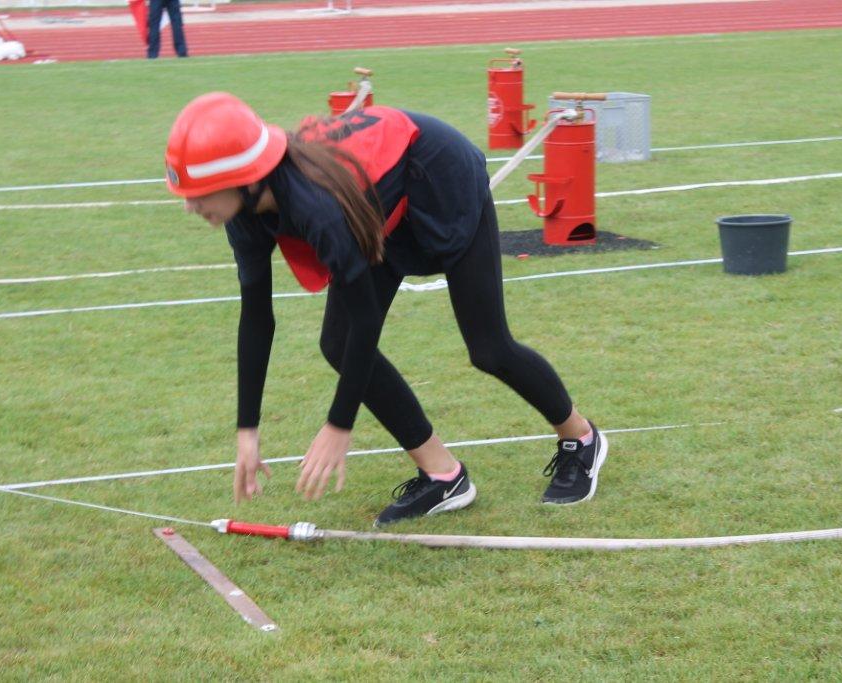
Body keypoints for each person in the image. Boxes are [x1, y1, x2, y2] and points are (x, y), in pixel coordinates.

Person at [163, 92, 609, 526]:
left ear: (245, 177)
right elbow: (257, 318)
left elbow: (365, 320)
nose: (188, 206)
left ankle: (581, 437)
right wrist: (248, 430)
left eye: (200, 193)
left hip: (438, 175)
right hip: (381, 206)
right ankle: (444, 476)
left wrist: (339, 425)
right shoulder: (244, 213)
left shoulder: (317, 207)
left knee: (489, 348)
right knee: (338, 343)